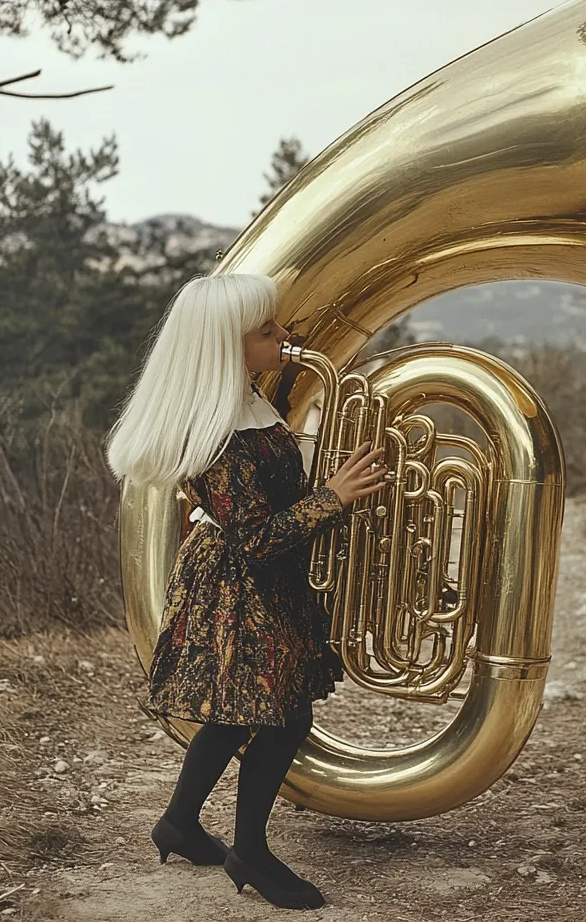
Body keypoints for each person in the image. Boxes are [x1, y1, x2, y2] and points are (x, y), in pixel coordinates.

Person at [104, 272, 387, 909]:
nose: (284, 337)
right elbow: (254, 537)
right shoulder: (214, 432)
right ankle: (250, 851)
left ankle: (178, 822)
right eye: (267, 331)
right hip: (239, 583)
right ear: (227, 347)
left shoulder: (250, 400)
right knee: (283, 715)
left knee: (240, 716)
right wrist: (333, 498)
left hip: (264, 578)